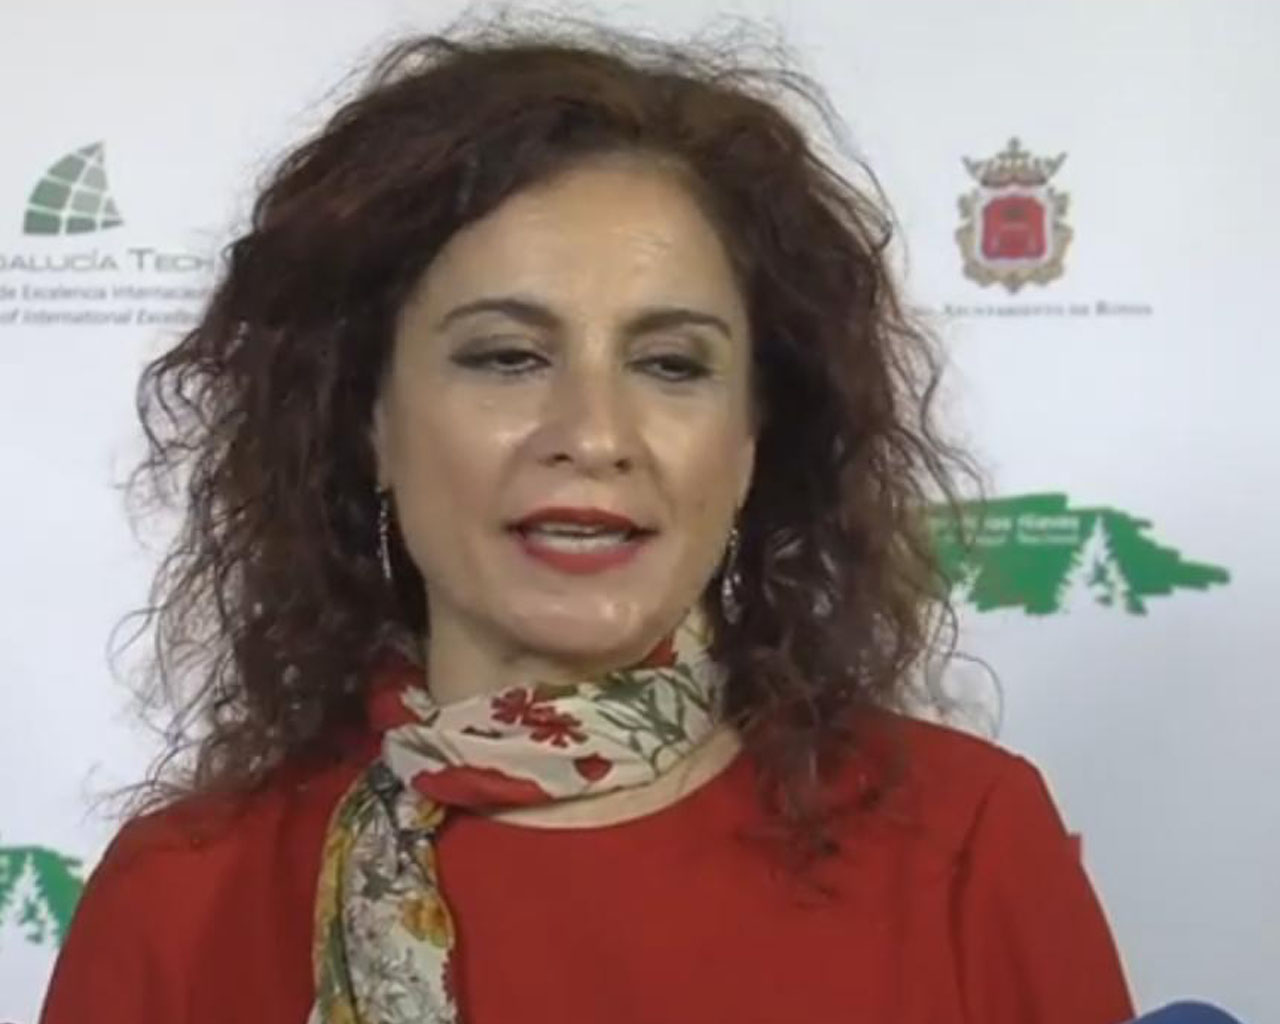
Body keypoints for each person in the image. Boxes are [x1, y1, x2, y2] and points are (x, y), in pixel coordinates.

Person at [39, 18, 1134, 1024]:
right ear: (365, 419)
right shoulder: (180, 897)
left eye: (671, 365)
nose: (595, 433)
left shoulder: (962, 843)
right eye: (507, 357)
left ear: (752, 440)